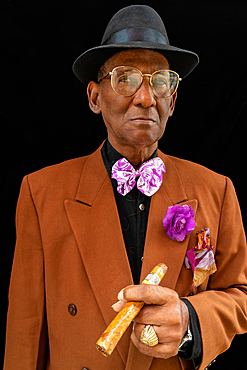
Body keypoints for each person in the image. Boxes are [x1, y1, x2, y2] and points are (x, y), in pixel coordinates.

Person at [4, 5, 247, 370]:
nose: (146, 98)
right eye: (125, 78)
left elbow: (240, 296)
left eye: (161, 81)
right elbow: (25, 330)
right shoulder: (41, 193)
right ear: (95, 97)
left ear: (173, 100)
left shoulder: (218, 189)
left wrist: (190, 319)